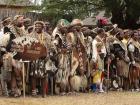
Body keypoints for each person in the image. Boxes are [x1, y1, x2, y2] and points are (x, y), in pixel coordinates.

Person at [30, 21, 52, 97]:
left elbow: (51, 47)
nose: (37, 27)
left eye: (39, 26)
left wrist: (47, 54)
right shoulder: (31, 35)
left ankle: (43, 93)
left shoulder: (47, 36)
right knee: (33, 75)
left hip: (44, 58)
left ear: (43, 27)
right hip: (35, 57)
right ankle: (34, 92)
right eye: (36, 26)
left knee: (45, 75)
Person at [91, 28, 106, 93]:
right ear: (100, 33)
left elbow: (103, 50)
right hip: (97, 58)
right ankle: (94, 88)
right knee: (96, 73)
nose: (104, 34)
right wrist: (95, 59)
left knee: (101, 73)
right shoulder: (95, 41)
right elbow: (95, 51)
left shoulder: (101, 40)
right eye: (103, 32)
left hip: (101, 58)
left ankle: (100, 87)